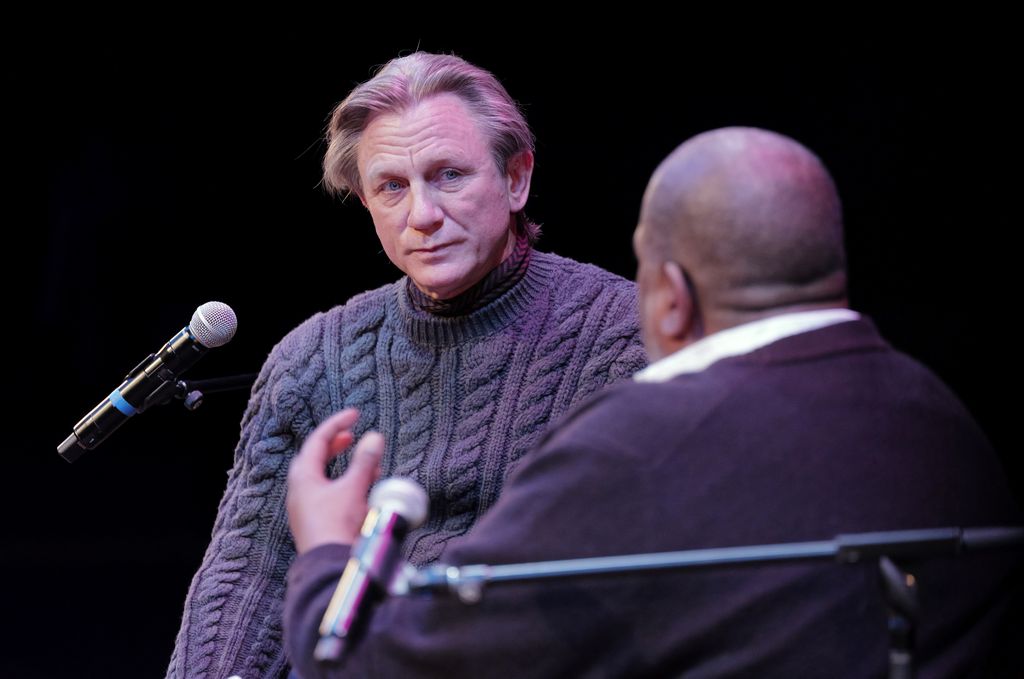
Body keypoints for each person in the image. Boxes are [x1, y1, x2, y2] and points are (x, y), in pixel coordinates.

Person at [284, 127, 1023, 677]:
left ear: (669, 296)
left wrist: (325, 553)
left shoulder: (636, 446)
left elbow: (371, 665)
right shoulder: (943, 419)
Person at [165, 53, 646, 679]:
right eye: (392, 186)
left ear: (516, 178)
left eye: (448, 176)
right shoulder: (313, 357)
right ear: (365, 201)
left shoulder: (619, 335)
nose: (421, 215)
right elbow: (249, 575)